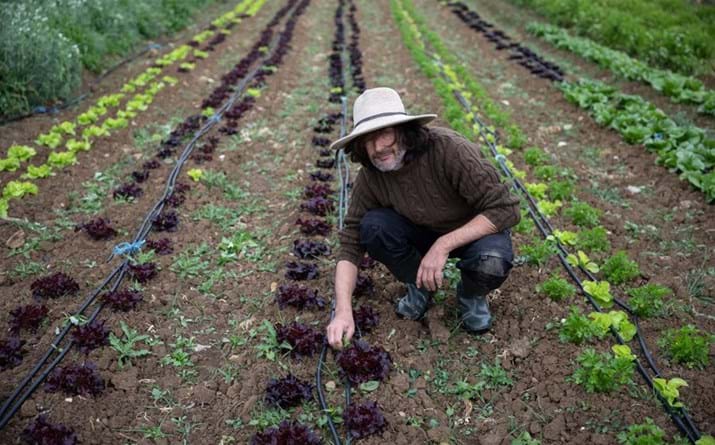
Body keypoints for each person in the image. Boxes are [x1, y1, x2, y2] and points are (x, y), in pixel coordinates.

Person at [325, 87, 520, 349]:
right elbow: (351, 242)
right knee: (372, 227)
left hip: (474, 232)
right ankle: (420, 285)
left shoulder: (450, 150)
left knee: (492, 262)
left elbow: (505, 209)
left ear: (404, 130)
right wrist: (343, 311)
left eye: (385, 133)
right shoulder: (372, 176)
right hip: (421, 234)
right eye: (367, 140)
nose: (378, 147)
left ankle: (471, 295)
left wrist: (443, 245)